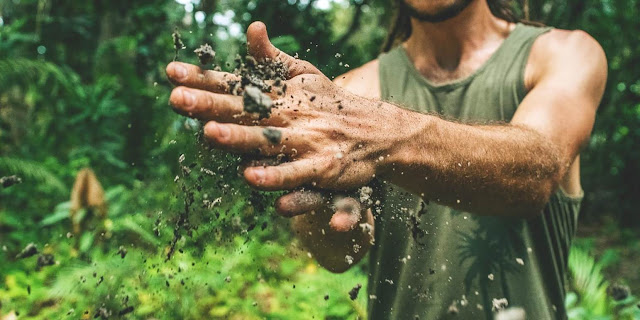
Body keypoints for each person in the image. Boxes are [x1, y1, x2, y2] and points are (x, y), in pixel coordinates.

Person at [165, 0, 607, 318]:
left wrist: (381, 135)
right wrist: (328, 210)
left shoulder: (564, 54)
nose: (365, 127)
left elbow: (535, 171)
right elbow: (338, 255)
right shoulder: (352, 92)